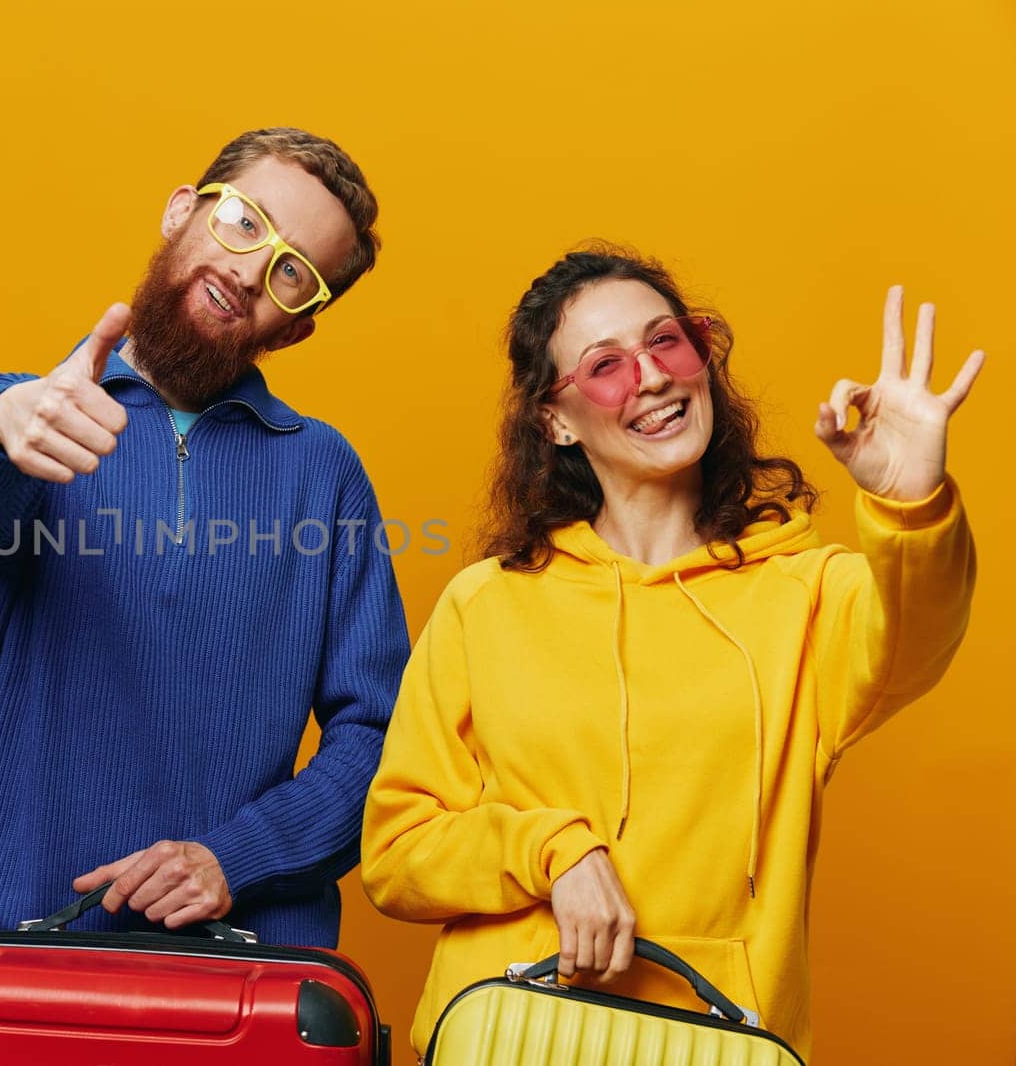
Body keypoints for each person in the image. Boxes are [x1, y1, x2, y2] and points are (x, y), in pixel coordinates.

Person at [360, 247, 980, 1060]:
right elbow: (396, 851)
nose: (651, 377)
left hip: (715, 1040)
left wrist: (909, 502)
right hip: (513, 1032)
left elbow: (918, 636)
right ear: (555, 418)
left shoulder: (805, 594)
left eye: (667, 342)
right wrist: (553, 851)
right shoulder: (486, 603)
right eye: (606, 365)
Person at [0, 128, 409, 947]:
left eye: (292, 272)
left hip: (246, 966)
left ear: (296, 327)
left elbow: (383, 738)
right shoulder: (51, 414)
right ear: (182, 210)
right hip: (21, 945)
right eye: (246, 223)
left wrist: (235, 858)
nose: (249, 270)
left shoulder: (324, 472)